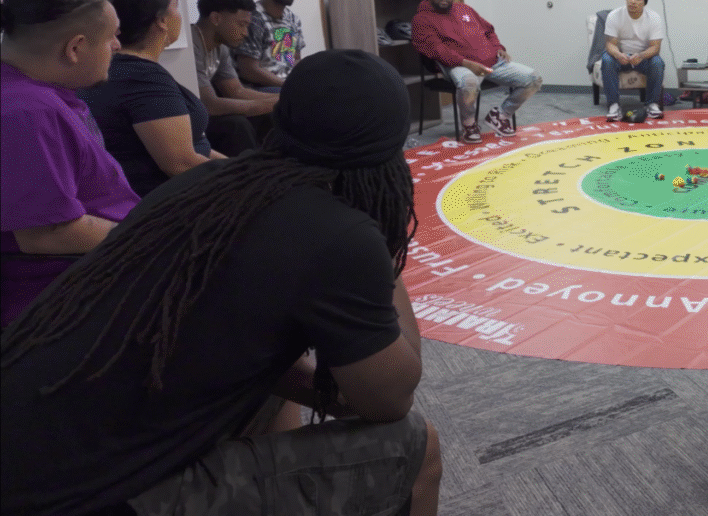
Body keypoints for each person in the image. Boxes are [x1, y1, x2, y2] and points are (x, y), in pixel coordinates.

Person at [1, 49, 442, 515]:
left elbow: (241, 352)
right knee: (417, 445)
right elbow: (391, 401)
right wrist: (384, 241)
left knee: (267, 390)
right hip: (89, 497)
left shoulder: (211, 182)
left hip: (30, 452)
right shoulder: (340, 234)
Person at [0, 0, 139, 326]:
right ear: (74, 48)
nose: (117, 46)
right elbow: (48, 234)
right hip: (66, 288)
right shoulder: (28, 113)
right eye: (111, 37)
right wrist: (153, 233)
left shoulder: (37, 94)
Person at [79, 0, 222, 197]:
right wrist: (246, 177)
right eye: (176, 6)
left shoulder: (130, 70)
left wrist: (242, 167)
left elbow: (196, 146)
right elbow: (181, 164)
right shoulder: (141, 77)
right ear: (161, 20)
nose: (180, 15)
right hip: (164, 201)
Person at [411, 0, 542, 143]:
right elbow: (437, 50)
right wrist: (467, 64)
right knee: (469, 82)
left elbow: (488, 30)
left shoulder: (465, 10)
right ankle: (469, 125)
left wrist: (498, 47)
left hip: (492, 63)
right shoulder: (421, 19)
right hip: (458, 65)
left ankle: (501, 115)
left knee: (534, 79)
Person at [191, 0, 277, 154]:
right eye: (241, 24)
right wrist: (276, 103)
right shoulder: (192, 45)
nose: (245, 33)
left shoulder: (221, 46)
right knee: (236, 125)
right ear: (216, 18)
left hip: (206, 111)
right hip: (190, 118)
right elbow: (209, 105)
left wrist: (285, 97)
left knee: (269, 113)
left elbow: (236, 91)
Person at [601, 0, 665, 121]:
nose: (633, 1)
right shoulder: (614, 15)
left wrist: (641, 55)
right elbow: (610, 44)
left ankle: (652, 104)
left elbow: (655, 47)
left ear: (644, 2)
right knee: (606, 59)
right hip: (620, 56)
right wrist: (618, 54)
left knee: (657, 62)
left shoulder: (654, 17)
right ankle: (613, 105)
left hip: (643, 57)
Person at [234, 0, 304, 91]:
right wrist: (288, 86)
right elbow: (248, 70)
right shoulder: (253, 18)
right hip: (260, 87)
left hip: (287, 83)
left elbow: (296, 59)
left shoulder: (293, 18)